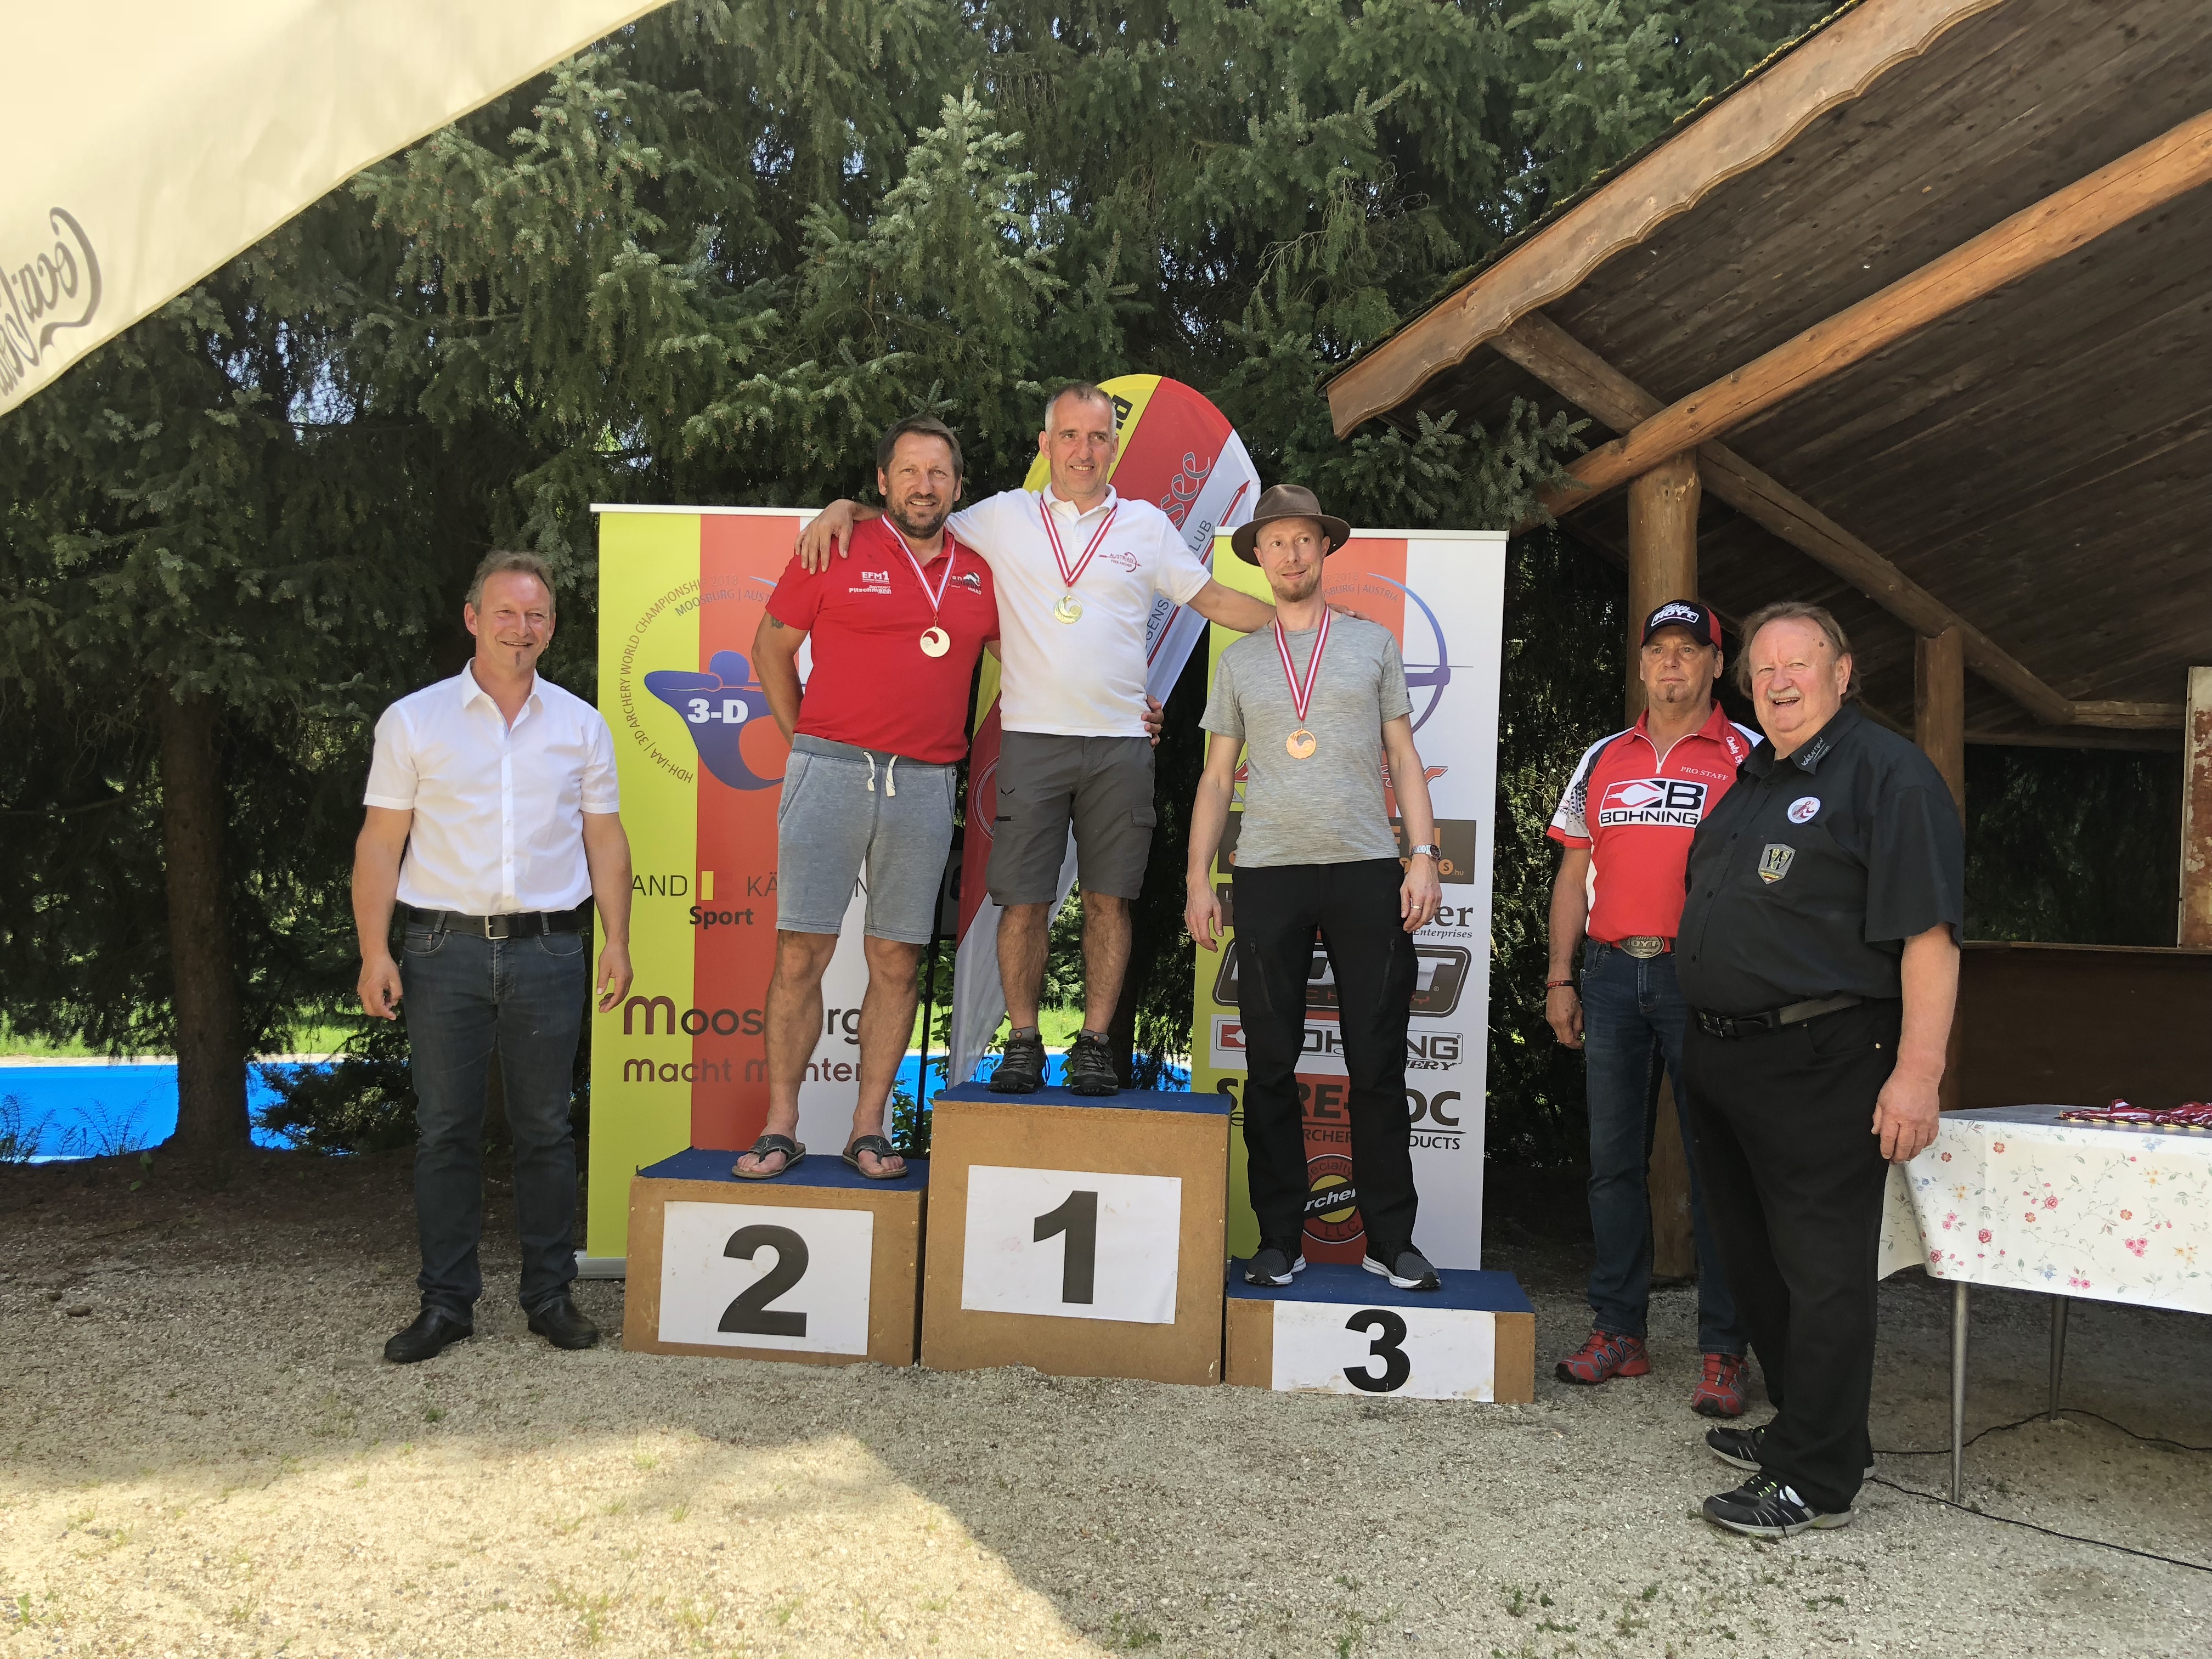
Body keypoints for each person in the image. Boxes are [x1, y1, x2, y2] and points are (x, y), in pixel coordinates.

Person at [799, 383, 1275, 1097]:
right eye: (1071, 436)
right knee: (1022, 903)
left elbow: (1211, 599)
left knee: (1109, 901)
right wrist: (846, 508)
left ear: (1113, 446)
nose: (1085, 450)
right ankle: (1022, 1041)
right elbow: (917, 517)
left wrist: (1301, 621)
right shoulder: (1003, 516)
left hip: (1120, 744)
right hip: (1030, 742)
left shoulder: (1145, 526)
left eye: (1098, 437)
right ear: (1046, 445)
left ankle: (1094, 1044)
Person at [1676, 600, 1962, 1539]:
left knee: (1822, 1269)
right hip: (1727, 1059)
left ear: (1843, 674)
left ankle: (1820, 1480)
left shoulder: (1889, 774)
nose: (1780, 681)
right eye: (1763, 669)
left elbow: (1928, 935)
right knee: (1755, 1261)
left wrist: (1918, 1072)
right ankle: (1808, 1426)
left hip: (1826, 1058)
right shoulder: (1755, 774)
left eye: (1800, 663)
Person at [355, 551, 635, 1364]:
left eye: (536, 614)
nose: (522, 628)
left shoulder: (581, 725)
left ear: (552, 626)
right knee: (444, 1131)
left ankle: (550, 1296)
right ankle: (446, 1305)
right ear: (473, 618)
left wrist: (619, 940)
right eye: (506, 612)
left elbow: (605, 839)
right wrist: (374, 951)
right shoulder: (414, 721)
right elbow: (380, 844)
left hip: (550, 948)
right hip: (440, 949)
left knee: (546, 1130)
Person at [1186, 485, 1446, 1291]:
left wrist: (1424, 854)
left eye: (1304, 539)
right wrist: (1197, 877)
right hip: (1268, 875)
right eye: (1276, 542)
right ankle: (1279, 1238)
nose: (1291, 554)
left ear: (1324, 548)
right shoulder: (1240, 660)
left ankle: (1390, 1239)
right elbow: (1216, 777)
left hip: (1366, 869)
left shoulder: (1372, 644)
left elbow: (1402, 756)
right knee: (1270, 1063)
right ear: (1258, 557)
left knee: (1377, 1061)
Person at [732, 417, 1000, 1181]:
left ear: (958, 486)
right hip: (830, 770)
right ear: (882, 482)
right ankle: (781, 1127)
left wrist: (1123, 706)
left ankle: (868, 1128)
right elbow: (770, 647)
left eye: (938, 473)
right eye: (909, 471)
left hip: (926, 781)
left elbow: (1041, 662)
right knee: (800, 952)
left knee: (897, 959)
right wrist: (808, 743)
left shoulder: (982, 571)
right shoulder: (836, 545)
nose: (924, 485)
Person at [1544, 600, 1755, 1416]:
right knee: (1612, 1165)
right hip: (1608, 974)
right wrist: (1560, 977)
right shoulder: (1604, 756)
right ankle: (1618, 1333)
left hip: (1706, 983)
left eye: (1689, 650)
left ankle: (1724, 1350)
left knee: (1718, 1169)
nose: (1672, 663)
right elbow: (1573, 875)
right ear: (1640, 665)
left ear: (1716, 664)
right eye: (1659, 650)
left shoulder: (1751, 754)